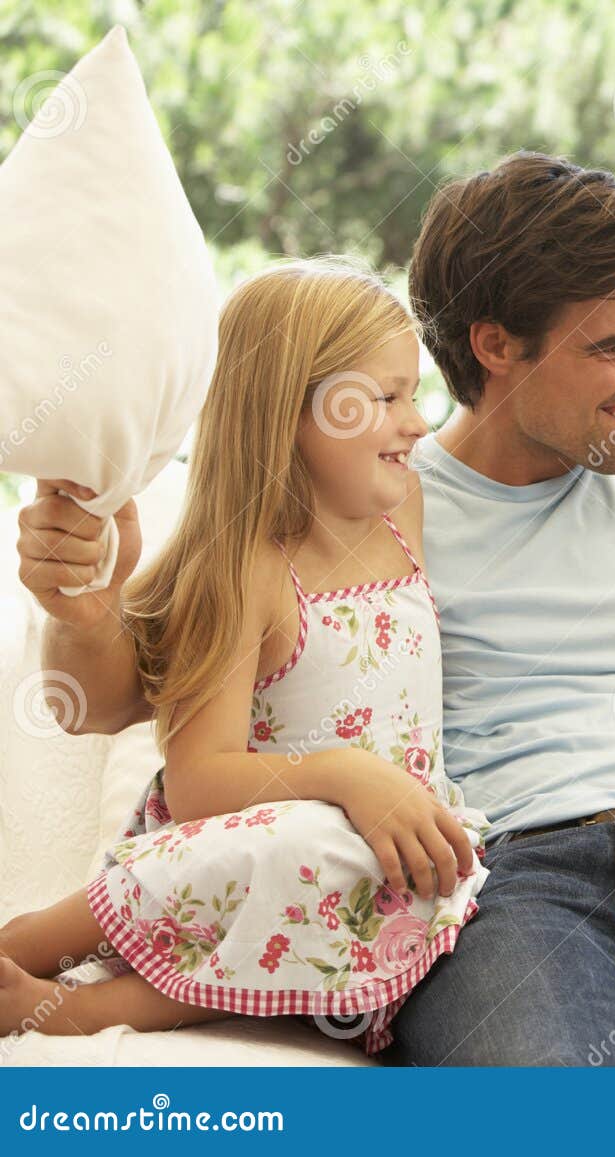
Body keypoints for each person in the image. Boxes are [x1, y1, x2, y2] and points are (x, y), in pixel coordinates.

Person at [16, 151, 615, 1066]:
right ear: (496, 345)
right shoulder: (371, 494)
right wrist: (82, 607)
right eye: (614, 347)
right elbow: (131, 687)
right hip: (502, 882)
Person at [1, 260, 487, 1054]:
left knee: (349, 860)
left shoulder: (402, 511)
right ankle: (37, 962)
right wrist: (348, 776)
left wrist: (383, 798)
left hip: (376, 859)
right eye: (388, 397)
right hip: (251, 850)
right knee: (313, 843)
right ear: (289, 410)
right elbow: (197, 782)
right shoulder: (248, 572)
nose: (417, 424)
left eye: (414, 395)